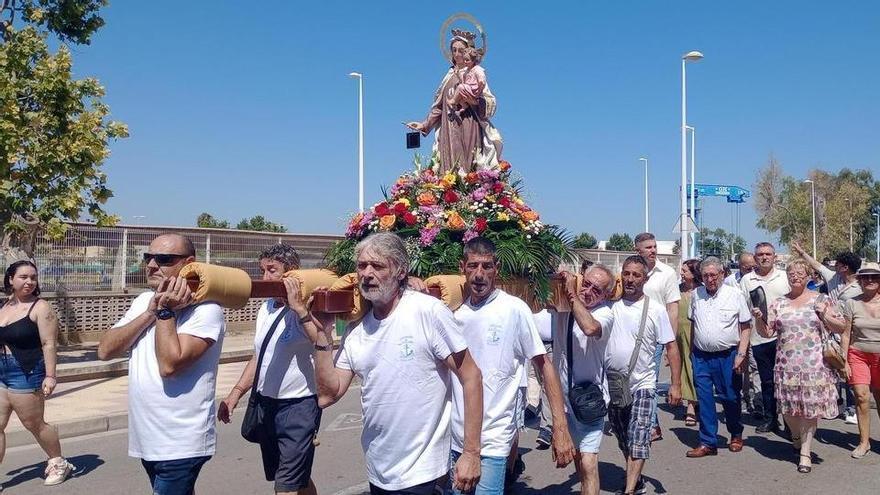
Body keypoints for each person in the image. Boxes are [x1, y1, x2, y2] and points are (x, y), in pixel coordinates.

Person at [306, 232, 483, 494]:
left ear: (400, 271)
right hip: (379, 470)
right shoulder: (357, 330)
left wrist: (471, 453)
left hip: (424, 472)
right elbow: (327, 395)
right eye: (362, 266)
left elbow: (471, 377)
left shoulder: (427, 312)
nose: (367, 273)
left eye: (377, 266)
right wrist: (322, 336)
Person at [98, 233, 226, 495]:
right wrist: (150, 312)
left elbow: (169, 365)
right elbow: (105, 350)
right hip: (148, 437)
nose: (152, 265)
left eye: (164, 259)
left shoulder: (207, 310)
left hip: (180, 441)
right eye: (148, 257)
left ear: (188, 263)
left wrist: (166, 312)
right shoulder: (144, 301)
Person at [448, 238, 574, 495]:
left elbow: (544, 364)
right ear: (463, 267)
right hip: (455, 438)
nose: (479, 274)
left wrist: (560, 428)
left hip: (495, 436)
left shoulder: (513, 310)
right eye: (473, 266)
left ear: (498, 267)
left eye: (487, 266)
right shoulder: (453, 313)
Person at [218, 244, 322, 495]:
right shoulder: (266, 307)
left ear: (291, 274)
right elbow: (261, 355)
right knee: (295, 479)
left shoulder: (309, 306)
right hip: (267, 405)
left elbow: (321, 340)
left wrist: (300, 309)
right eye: (262, 270)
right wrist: (236, 393)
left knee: (285, 486)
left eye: (272, 270)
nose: (265, 278)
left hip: (298, 406)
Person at [752, 260, 846, 473]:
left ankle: (805, 452)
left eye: (800, 273)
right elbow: (767, 332)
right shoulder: (779, 303)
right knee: (790, 412)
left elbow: (841, 326)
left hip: (814, 366)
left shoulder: (821, 299)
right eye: (791, 273)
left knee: (809, 411)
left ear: (809, 277)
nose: (795, 276)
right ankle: (795, 436)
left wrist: (824, 314)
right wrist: (759, 318)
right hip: (786, 365)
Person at [605, 255, 682, 495]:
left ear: (645, 279)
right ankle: (636, 479)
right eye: (626, 273)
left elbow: (671, 347)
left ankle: (629, 490)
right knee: (623, 437)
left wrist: (675, 384)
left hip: (644, 385)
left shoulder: (656, 310)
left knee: (638, 436)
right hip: (614, 386)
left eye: (636, 275)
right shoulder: (609, 307)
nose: (630, 279)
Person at [0, 260, 74, 487]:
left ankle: (59, 462)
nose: (29, 281)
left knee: (34, 424)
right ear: (11, 279)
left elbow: (49, 343)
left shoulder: (40, 307)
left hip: (27, 372)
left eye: (33, 277)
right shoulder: (4, 307)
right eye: (23, 277)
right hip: (2, 372)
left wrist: (50, 376)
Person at [555, 263, 617, 495]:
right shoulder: (564, 304)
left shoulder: (605, 313)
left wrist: (572, 294)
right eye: (586, 284)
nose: (588, 291)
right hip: (563, 400)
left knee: (589, 462)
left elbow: (590, 328)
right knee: (580, 458)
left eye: (597, 289)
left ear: (606, 295)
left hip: (589, 398)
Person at [407, 29, 502, 172]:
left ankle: (469, 188)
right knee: (448, 166)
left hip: (469, 124)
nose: (457, 54)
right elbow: (439, 106)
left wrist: (474, 101)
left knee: (469, 161)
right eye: (454, 50)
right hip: (448, 127)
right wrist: (424, 125)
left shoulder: (474, 74)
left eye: (461, 51)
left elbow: (489, 102)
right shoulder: (449, 76)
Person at [685, 257, 751, 458]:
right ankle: (707, 442)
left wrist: (741, 354)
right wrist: (692, 351)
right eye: (706, 275)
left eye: (714, 275)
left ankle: (736, 434)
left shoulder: (735, 294)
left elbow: (745, 327)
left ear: (722, 274)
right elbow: (693, 325)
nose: (710, 279)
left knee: (730, 397)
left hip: (728, 355)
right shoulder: (696, 294)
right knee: (704, 399)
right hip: (701, 357)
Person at [791, 242, 863, 424]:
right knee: (830, 367)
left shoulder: (860, 286)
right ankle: (834, 404)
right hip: (828, 330)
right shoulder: (833, 278)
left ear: (845, 267)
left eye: (837, 264)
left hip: (848, 331)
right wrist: (802, 252)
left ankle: (851, 408)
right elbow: (817, 265)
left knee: (847, 368)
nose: (834, 266)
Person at [633, 232, 680, 442]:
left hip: (656, 336)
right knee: (635, 379)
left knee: (649, 379)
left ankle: (651, 425)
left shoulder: (667, 273)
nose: (653, 251)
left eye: (654, 246)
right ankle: (646, 421)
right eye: (648, 247)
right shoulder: (630, 271)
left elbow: (672, 308)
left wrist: (670, 342)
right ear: (638, 250)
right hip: (632, 334)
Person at [739, 242, 790, 434]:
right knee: (767, 381)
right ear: (755, 257)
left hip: (784, 337)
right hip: (759, 338)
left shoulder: (784, 277)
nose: (764, 257)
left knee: (785, 381)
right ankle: (771, 419)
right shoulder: (747, 280)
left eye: (768, 254)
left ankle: (789, 420)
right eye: (760, 254)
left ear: (774, 256)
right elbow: (742, 311)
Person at [841, 262, 880, 459]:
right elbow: (846, 334)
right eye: (865, 277)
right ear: (860, 280)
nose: (870, 280)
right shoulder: (852, 303)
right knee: (862, 397)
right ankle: (864, 442)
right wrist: (844, 361)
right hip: (858, 355)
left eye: (874, 277)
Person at [677, 259, 702, 426]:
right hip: (677, 334)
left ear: (693, 274)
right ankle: (688, 399)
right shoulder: (676, 290)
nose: (681, 273)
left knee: (692, 368)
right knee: (681, 368)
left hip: (694, 334)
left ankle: (691, 407)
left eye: (685, 271)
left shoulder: (701, 292)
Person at [448, 47, 486, 119]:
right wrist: (458, 74)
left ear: (473, 60)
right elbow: (463, 82)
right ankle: (462, 108)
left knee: (460, 87)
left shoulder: (477, 69)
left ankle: (452, 101)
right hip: (468, 89)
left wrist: (478, 94)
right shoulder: (467, 71)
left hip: (474, 91)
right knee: (459, 89)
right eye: (464, 60)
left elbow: (482, 82)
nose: (465, 62)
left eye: (467, 60)